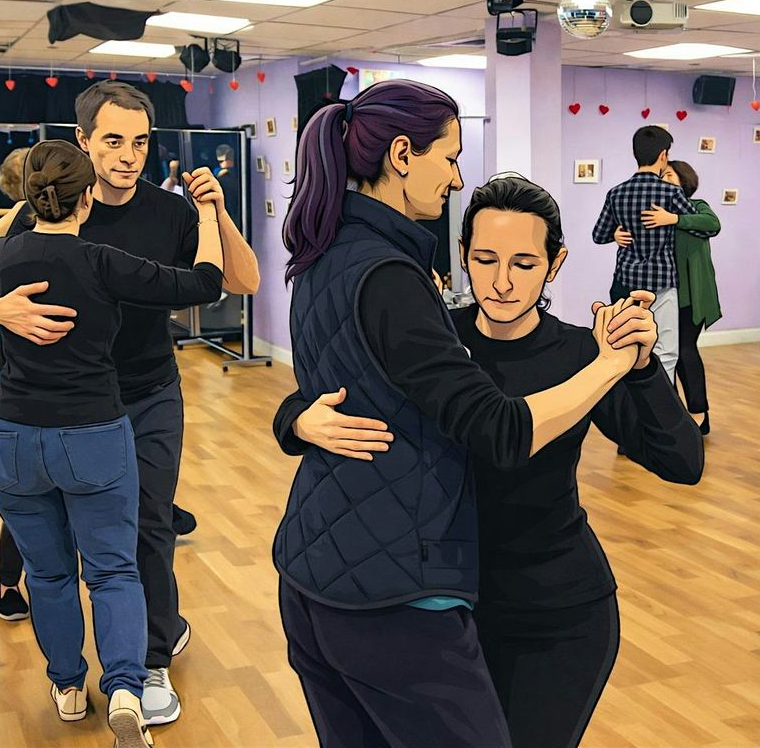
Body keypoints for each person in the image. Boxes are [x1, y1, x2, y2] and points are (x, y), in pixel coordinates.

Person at [274, 79, 650, 748]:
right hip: (391, 594)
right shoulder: (389, 275)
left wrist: (296, 417)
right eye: (449, 157)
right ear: (401, 155)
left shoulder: (323, 256)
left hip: (313, 570)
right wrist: (609, 365)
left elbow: (343, 382)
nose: (454, 177)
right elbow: (499, 430)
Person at [0, 80, 261, 726]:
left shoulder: (171, 212)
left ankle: (150, 661)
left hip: (147, 392)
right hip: (64, 410)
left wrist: (216, 213)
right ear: (83, 141)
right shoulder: (50, 207)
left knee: (149, 525)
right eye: (113, 141)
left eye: (140, 142)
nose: (128, 156)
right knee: (70, 549)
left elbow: (242, 281)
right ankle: (92, 666)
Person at [592, 126, 708, 381]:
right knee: (665, 351)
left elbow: (598, 235)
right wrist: (673, 219)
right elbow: (701, 227)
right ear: (663, 155)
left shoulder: (616, 193)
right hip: (662, 283)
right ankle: (659, 401)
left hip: (625, 282)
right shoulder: (671, 192)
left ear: (635, 154)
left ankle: (626, 401)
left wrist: (615, 234)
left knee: (624, 346)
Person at [617, 160, 721, 434]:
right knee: (658, 355)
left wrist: (673, 219)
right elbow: (629, 235)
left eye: (669, 176)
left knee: (684, 350)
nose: (663, 180)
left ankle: (698, 413)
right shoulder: (650, 210)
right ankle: (669, 417)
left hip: (690, 295)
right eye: (661, 175)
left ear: (684, 180)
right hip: (661, 291)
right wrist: (617, 234)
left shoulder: (696, 206)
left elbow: (712, 224)